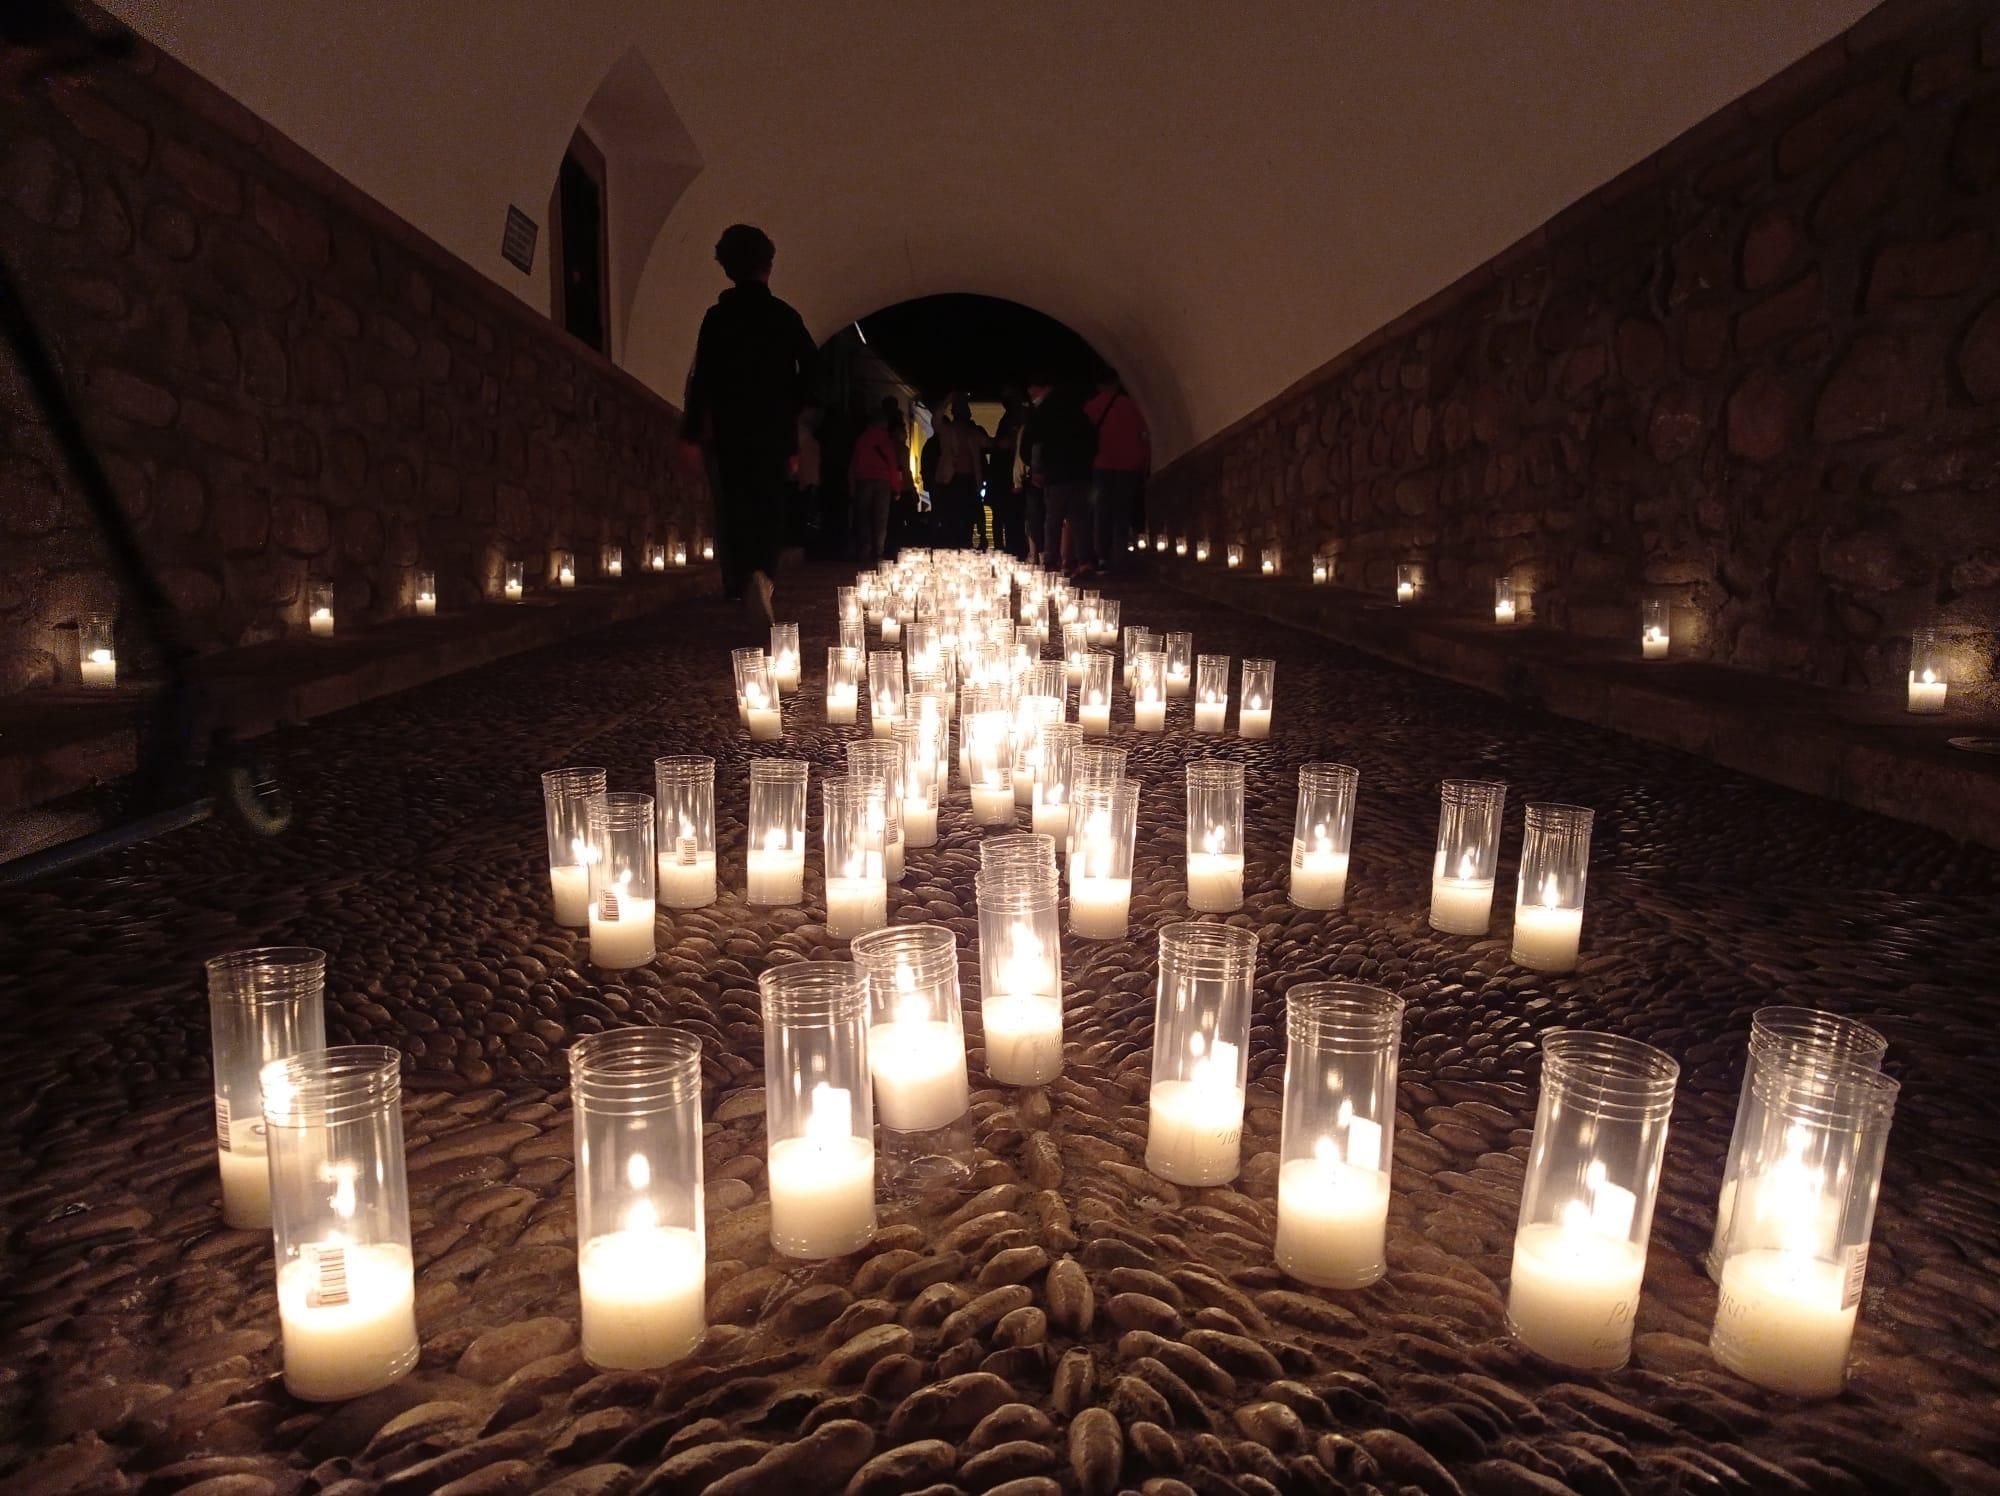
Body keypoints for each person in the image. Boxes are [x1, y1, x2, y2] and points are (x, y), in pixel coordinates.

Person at [679, 224, 817, 625]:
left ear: (727, 268)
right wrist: (793, 403)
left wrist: (691, 433)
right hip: (774, 427)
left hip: (731, 427)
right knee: (769, 503)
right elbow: (813, 369)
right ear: (768, 266)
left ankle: (744, 580)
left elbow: (702, 377)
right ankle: (763, 577)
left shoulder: (718, 318)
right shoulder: (784, 317)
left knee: (737, 504)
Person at [1024, 374, 1097, 576]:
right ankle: (1085, 562)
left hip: (1056, 474)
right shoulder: (1077, 411)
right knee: (1080, 518)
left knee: (1054, 518)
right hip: (1080, 474)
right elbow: (1092, 440)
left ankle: (1051, 561)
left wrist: (1037, 469)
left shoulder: (1045, 412)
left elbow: (1036, 443)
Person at [1086, 370, 1150, 572]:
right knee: (1122, 512)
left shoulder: (1091, 408)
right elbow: (1143, 435)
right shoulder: (1131, 406)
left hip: (1101, 464)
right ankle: (1120, 555)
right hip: (1129, 466)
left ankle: (1103, 557)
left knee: (1102, 512)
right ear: (1117, 383)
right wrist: (1145, 463)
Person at [848, 398, 904, 566]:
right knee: (881, 519)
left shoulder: (862, 439)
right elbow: (892, 465)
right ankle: (878, 551)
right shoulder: (887, 441)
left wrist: (852, 486)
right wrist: (897, 488)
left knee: (863, 515)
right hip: (883, 482)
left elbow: (854, 463)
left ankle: (865, 546)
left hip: (863, 480)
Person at [932, 393, 990, 551]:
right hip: (952, 481)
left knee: (968, 522)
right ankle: (953, 553)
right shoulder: (947, 431)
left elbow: (991, 443)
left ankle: (965, 551)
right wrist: (948, 399)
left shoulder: (974, 434)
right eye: (962, 409)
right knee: (951, 521)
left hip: (969, 482)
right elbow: (936, 417)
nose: (965, 413)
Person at [988, 389, 1028, 559]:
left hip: (1010, 479)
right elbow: (1003, 445)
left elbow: (1005, 445)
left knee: (1013, 517)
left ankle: (1013, 548)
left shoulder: (1015, 420)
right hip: (1004, 479)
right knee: (1006, 517)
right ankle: (1006, 548)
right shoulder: (1009, 421)